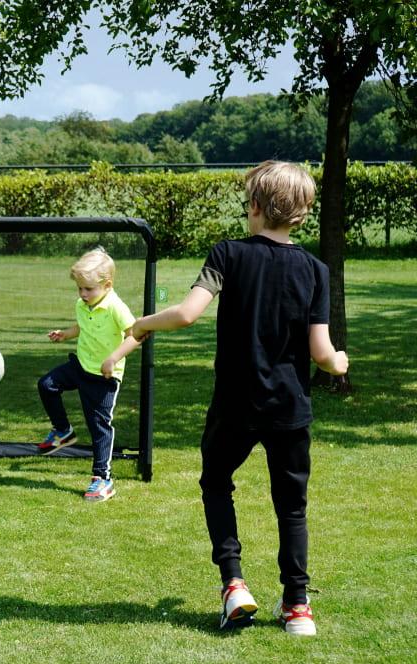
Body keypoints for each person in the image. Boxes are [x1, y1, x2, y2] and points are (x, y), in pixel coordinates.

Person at [130, 161, 349, 636]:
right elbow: (322, 354)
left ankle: (234, 584)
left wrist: (144, 324)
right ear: (304, 214)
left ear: (253, 206)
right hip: (289, 409)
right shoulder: (316, 270)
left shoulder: (227, 254)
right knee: (291, 507)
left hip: (234, 405)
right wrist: (340, 364)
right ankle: (297, 607)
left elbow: (188, 314)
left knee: (216, 483)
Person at [38, 247, 142, 502]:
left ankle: (102, 479)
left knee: (99, 427)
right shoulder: (82, 304)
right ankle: (63, 431)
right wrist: (65, 334)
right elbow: (82, 326)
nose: (83, 294)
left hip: (104, 378)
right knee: (47, 384)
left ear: (107, 285)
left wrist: (114, 358)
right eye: (80, 289)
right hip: (80, 366)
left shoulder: (115, 306)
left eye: (88, 289)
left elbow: (136, 335)